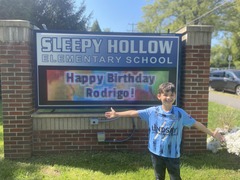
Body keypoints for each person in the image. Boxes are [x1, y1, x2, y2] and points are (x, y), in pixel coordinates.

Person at [105, 82, 225, 180]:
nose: (169, 97)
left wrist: (213, 133)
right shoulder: (152, 112)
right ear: (159, 96)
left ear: (175, 96)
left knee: (175, 177)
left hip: (173, 155)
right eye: (166, 94)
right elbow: (133, 112)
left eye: (172, 95)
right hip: (155, 153)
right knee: (159, 177)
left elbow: (196, 124)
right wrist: (117, 114)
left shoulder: (179, 113)